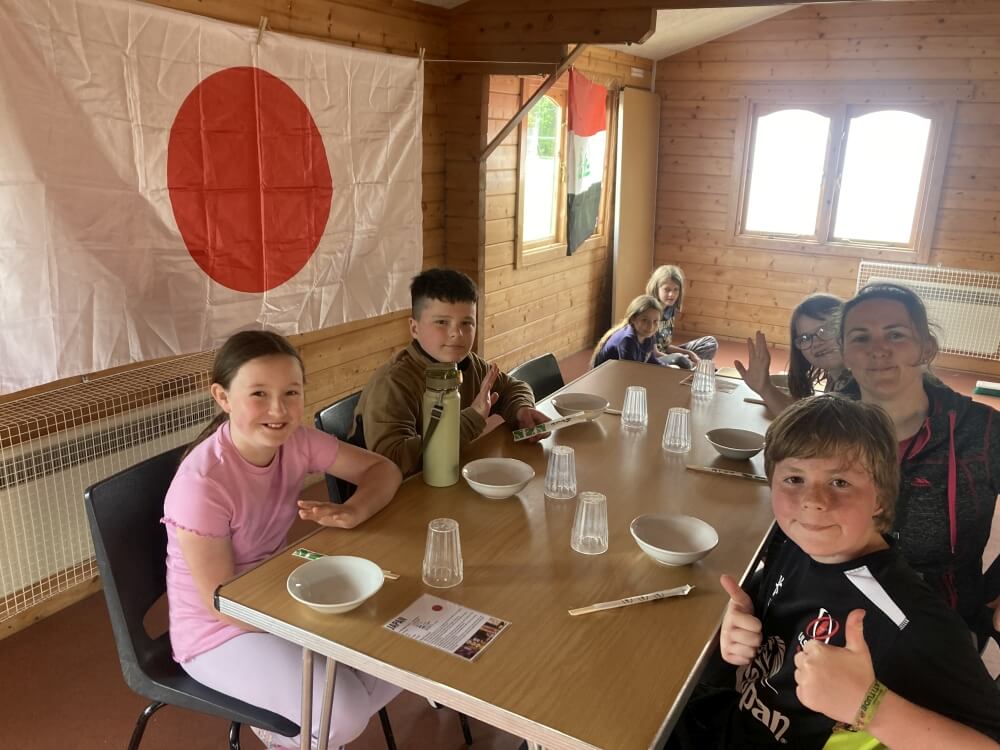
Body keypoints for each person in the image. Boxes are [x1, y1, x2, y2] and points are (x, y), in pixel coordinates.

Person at [669, 395, 1000, 749]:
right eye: (794, 478)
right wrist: (740, 624)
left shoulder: (907, 619)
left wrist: (870, 707)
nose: (813, 500)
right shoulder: (795, 544)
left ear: (880, 499)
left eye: (840, 482)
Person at [163, 330, 404, 750]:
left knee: (406, 652)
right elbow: (222, 604)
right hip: (218, 632)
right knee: (343, 714)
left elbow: (382, 470)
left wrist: (352, 510)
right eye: (259, 393)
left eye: (291, 392)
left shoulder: (297, 441)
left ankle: (303, 730)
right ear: (222, 397)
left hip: (279, 592)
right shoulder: (201, 485)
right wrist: (310, 621)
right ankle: (291, 736)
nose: (278, 410)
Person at [839, 282, 1000, 648]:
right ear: (845, 353)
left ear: (927, 347)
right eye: (861, 337)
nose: (878, 349)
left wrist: (995, 590)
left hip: (943, 624)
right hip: (833, 609)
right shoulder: (822, 427)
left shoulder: (982, 431)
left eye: (895, 334)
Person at [356, 268, 548, 478]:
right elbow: (394, 462)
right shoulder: (392, 383)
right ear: (414, 328)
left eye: (467, 323)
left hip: (453, 474)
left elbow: (512, 388)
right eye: (442, 322)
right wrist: (471, 420)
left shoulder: (469, 364)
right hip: (405, 491)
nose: (457, 333)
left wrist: (521, 409)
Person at [735, 293, 852, 415]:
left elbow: (810, 425)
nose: (816, 343)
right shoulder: (838, 378)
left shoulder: (860, 383)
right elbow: (809, 420)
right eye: (805, 338)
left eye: (827, 329)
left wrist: (766, 389)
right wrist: (765, 388)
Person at [645, 265, 718, 369]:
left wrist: (690, 354)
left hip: (665, 354)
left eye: (676, 290)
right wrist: (682, 359)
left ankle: (690, 366)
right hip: (652, 360)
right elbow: (654, 353)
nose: (672, 294)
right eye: (667, 289)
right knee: (680, 360)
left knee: (710, 343)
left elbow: (665, 346)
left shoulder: (670, 308)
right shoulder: (650, 312)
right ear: (656, 288)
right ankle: (692, 367)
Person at [591, 295, 665, 368]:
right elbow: (630, 371)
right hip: (610, 374)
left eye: (655, 321)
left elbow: (650, 359)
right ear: (633, 319)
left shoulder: (649, 334)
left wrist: (667, 368)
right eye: (644, 320)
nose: (651, 326)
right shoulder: (627, 340)